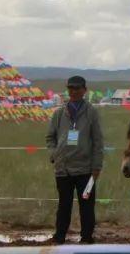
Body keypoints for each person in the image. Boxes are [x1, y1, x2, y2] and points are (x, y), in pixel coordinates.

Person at [45, 75, 104, 244]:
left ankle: (86, 238)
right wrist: (54, 154)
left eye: (77, 88)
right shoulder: (58, 113)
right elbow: (50, 137)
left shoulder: (91, 112)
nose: (74, 91)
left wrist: (96, 167)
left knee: (86, 206)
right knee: (64, 205)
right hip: (63, 169)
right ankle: (59, 237)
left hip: (86, 170)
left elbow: (98, 141)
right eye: (70, 88)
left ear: (84, 90)